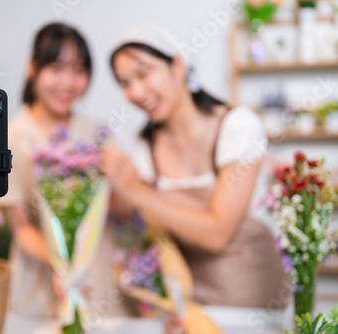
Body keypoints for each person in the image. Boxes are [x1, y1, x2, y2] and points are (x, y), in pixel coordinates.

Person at [102, 26, 289, 310]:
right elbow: (137, 221)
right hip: (188, 302)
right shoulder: (145, 147)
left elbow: (217, 234)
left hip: (252, 296)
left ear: (177, 65)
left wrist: (138, 190)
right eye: (124, 83)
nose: (136, 92)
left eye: (144, 73)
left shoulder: (237, 126)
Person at [0, 22, 136, 323]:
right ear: (32, 68)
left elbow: (123, 213)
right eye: (56, 68)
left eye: (79, 70)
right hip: (41, 281)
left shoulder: (97, 134)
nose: (68, 82)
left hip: (97, 281)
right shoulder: (13, 137)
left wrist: (126, 180)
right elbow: (21, 228)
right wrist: (67, 267)